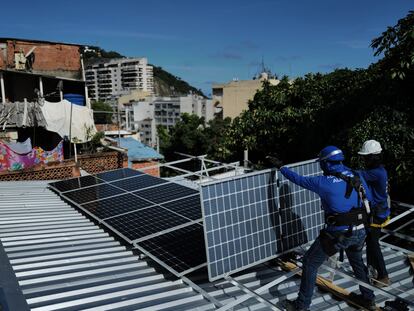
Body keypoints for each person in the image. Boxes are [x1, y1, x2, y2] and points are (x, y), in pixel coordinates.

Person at [270, 146, 375, 311]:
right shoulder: (356, 175)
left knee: (310, 263)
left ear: (326, 164)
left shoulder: (322, 183)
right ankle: (368, 298)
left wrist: (281, 167)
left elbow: (298, 179)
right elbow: (369, 198)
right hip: (361, 230)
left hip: (338, 234)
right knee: (357, 262)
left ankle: (301, 306)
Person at [358, 139, 391, 287]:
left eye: (366, 157)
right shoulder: (380, 170)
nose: (364, 160)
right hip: (380, 211)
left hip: (377, 214)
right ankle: (374, 271)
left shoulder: (376, 173)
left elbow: (357, 174)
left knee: (373, 243)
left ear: (373, 157)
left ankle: (383, 276)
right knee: (371, 242)